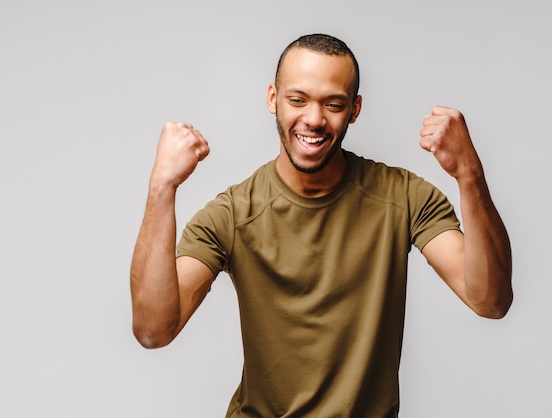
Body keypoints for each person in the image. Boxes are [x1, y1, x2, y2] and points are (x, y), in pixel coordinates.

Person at [130, 33, 513, 417]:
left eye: (333, 104)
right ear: (272, 99)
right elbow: (153, 329)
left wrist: (469, 175)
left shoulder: (404, 197)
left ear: (355, 109)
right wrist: (161, 188)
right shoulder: (233, 214)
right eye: (297, 100)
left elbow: (490, 300)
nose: (313, 119)